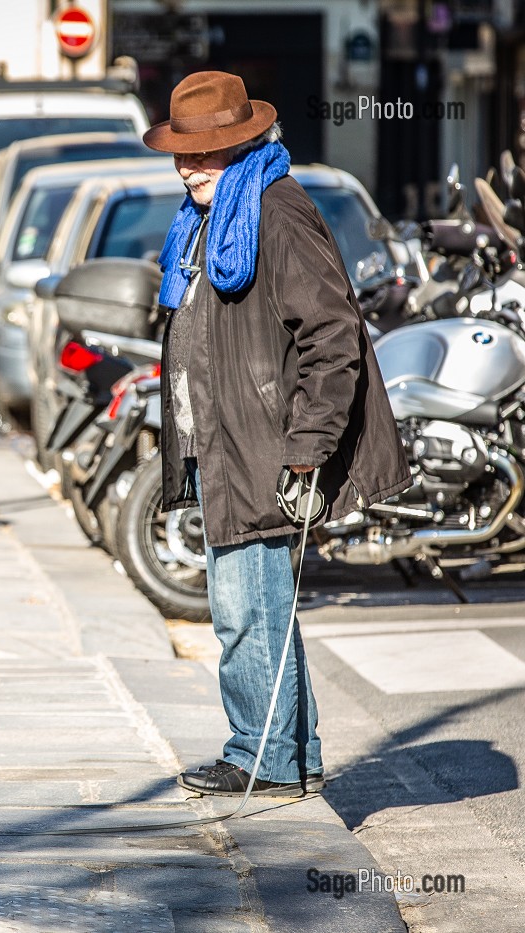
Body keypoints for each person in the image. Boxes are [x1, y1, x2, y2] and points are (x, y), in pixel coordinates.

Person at [142, 72, 409, 797]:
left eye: (207, 153)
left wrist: (305, 449)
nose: (190, 166)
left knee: (245, 611)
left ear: (243, 144)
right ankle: (293, 754)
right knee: (256, 607)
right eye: (182, 154)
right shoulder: (214, 211)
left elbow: (331, 335)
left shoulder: (276, 208)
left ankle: (259, 758)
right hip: (227, 442)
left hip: (264, 445)